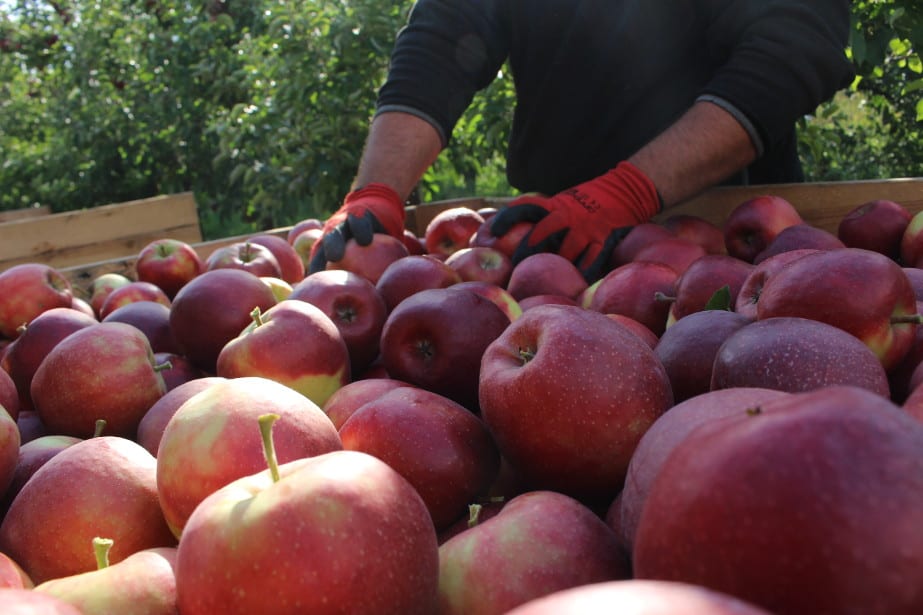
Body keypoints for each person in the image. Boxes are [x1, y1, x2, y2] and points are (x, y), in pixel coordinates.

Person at [309, 0, 855, 282]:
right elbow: (445, 38)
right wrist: (377, 190)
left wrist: (629, 192)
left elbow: (791, 51)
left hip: (724, 244)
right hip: (555, 244)